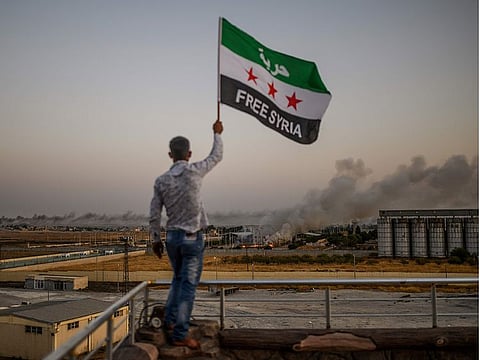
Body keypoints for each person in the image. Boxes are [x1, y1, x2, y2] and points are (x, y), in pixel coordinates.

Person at [149, 119, 223, 349]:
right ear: (189, 153)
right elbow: (216, 156)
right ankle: (180, 333)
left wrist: (155, 240)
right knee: (188, 286)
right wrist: (217, 133)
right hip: (191, 238)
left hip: (172, 238)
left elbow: (154, 214)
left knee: (177, 279)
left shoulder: (161, 181)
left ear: (170, 155)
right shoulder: (195, 171)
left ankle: (171, 322)